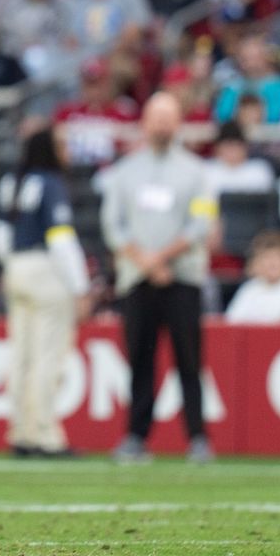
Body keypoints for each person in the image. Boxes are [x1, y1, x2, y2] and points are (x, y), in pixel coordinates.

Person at [100, 92, 217, 464]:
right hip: (137, 279)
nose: (162, 124)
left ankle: (197, 437)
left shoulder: (198, 172)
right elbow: (112, 225)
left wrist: (163, 258)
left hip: (181, 277)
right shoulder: (124, 172)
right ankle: (136, 436)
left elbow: (201, 222)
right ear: (145, 123)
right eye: (156, 117)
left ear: (179, 122)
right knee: (139, 360)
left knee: (189, 359)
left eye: (169, 117)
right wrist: (145, 261)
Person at [0, 127, 90, 457]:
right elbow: (61, 239)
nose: (67, 152)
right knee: (49, 355)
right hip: (46, 270)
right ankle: (46, 434)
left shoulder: (12, 183)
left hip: (16, 268)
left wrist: (12, 265)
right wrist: (80, 287)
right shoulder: (51, 183)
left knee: (22, 355)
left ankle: (21, 431)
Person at [224, 232, 280, 324]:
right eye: (267, 258)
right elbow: (232, 320)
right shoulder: (249, 288)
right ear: (257, 263)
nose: (272, 264)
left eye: (277, 258)